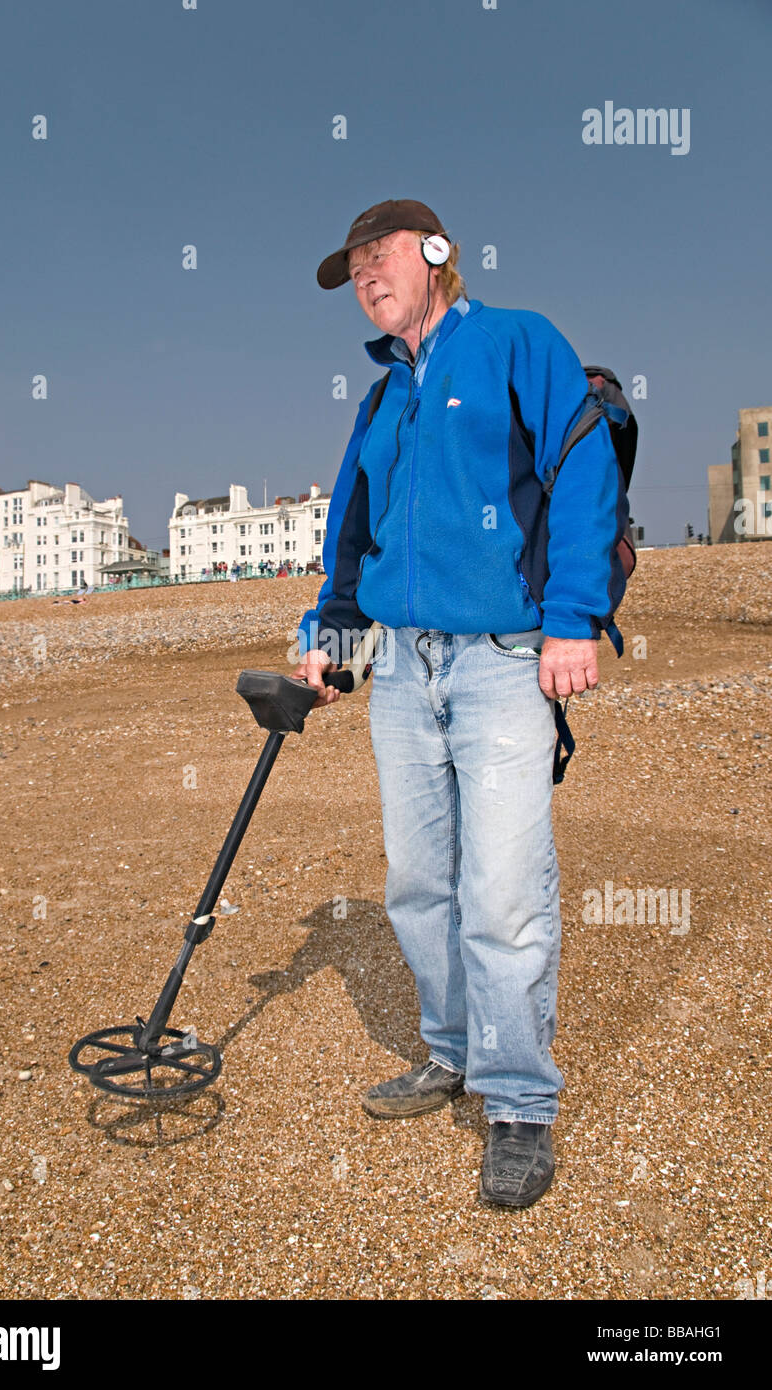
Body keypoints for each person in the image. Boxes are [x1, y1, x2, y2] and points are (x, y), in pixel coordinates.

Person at [292, 199, 627, 1209]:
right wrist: (333, 644)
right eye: (349, 268)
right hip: (400, 669)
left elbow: (579, 469)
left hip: (498, 659)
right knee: (416, 884)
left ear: (435, 253)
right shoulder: (381, 396)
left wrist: (572, 615)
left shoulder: (517, 341)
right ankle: (451, 1052)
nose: (361, 276)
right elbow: (354, 531)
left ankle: (518, 1100)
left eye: (375, 256)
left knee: (504, 888)